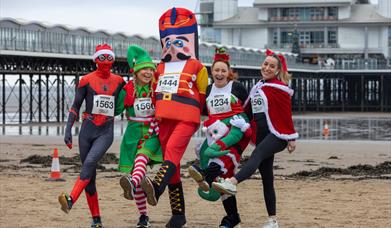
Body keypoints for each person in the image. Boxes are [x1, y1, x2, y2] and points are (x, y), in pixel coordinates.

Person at [212, 49, 299, 228]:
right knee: (267, 178)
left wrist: (291, 137)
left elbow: (285, 114)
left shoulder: (279, 89)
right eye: (265, 64)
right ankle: (272, 220)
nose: (267, 68)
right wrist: (230, 124)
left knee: (257, 155)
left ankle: (231, 182)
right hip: (262, 136)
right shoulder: (258, 86)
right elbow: (246, 111)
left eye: (271, 66)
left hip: (277, 136)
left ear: (277, 70)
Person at [140, 7, 209, 228]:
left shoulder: (197, 66)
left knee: (172, 153)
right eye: (167, 41)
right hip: (164, 117)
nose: (171, 45)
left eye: (178, 41)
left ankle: (157, 188)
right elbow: (153, 92)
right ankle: (178, 215)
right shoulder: (160, 68)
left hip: (186, 116)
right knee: (174, 166)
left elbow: (202, 94)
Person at [58, 44, 125, 228]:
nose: (105, 61)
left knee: (88, 164)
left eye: (109, 58)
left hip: (105, 131)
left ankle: (70, 200)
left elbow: (131, 98)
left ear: (113, 59)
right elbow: (75, 106)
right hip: (86, 131)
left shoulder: (119, 81)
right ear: (95, 59)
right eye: (101, 57)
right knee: (90, 179)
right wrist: (68, 129)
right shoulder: (86, 80)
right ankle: (96, 220)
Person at [188, 47, 251, 228]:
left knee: (220, 163)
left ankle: (204, 176)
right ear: (211, 72)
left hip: (235, 134)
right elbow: (199, 109)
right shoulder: (208, 90)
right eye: (217, 70)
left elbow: (249, 112)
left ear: (229, 73)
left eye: (223, 70)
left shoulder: (237, 87)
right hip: (215, 135)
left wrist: (245, 129)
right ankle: (233, 218)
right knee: (224, 181)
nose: (220, 73)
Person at [115, 45, 163, 228]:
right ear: (135, 71)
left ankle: (132, 183)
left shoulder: (157, 88)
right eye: (144, 69)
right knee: (140, 171)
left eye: (151, 69)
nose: (148, 72)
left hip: (153, 133)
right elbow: (115, 109)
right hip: (133, 135)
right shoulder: (128, 89)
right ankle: (143, 216)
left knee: (142, 159)